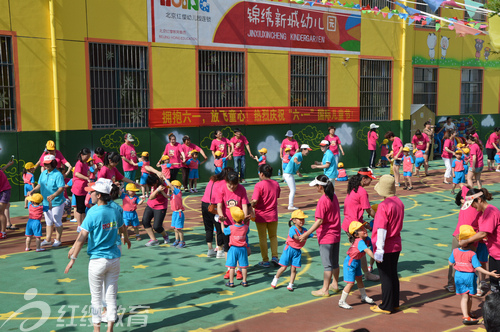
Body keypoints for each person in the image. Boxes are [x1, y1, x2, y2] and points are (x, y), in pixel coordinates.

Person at [64, 178, 131, 332]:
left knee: (96, 299)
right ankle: (110, 329)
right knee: (111, 296)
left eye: (93, 192)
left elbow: (82, 238)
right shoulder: (115, 209)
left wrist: (73, 258)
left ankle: (96, 329)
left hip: (97, 260)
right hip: (114, 259)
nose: (90, 194)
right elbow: (122, 228)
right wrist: (126, 239)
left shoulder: (93, 212)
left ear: (99, 195)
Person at [299, 174, 342, 297]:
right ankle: (335, 284)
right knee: (334, 262)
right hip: (336, 234)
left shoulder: (323, 200)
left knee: (327, 264)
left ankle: (325, 289)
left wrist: (306, 234)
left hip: (326, 236)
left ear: (320, 187)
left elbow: (319, 221)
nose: (315, 188)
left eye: (316, 186)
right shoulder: (333, 196)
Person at [449, 225, 500, 326]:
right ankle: (466, 316)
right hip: (469, 277)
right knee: (469, 297)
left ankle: (466, 314)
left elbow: (451, 263)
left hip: (458, 276)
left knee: (464, 296)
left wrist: (457, 263)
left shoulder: (455, 251)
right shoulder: (472, 254)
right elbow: (478, 267)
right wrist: (489, 273)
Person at [370, 174, 404, 314]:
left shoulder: (384, 206)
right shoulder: (399, 202)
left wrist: (379, 249)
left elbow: (381, 228)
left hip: (385, 245)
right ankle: (394, 303)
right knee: (393, 275)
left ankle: (386, 305)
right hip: (396, 243)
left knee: (385, 277)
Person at [459, 188, 500, 293]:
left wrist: (466, 241)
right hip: (494, 254)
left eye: (473, 203)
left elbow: (483, 233)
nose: (472, 206)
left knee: (497, 286)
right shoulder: (481, 213)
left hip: (498, 253)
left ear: (479, 200)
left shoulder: (491, 211)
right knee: (494, 286)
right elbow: (476, 229)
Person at [342, 168, 379, 281]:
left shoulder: (353, 188)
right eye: (370, 179)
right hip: (355, 226)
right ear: (364, 179)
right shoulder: (362, 192)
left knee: (358, 250)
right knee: (361, 250)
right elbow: (368, 210)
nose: (371, 181)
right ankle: (365, 274)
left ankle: (360, 272)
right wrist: (379, 218)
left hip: (350, 224)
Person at [216, 171, 250, 280]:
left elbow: (244, 205)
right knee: (227, 248)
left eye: (234, 185)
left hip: (239, 224)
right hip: (227, 223)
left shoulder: (241, 189)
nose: (231, 187)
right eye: (229, 184)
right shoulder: (222, 189)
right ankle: (230, 269)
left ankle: (239, 269)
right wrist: (221, 217)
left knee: (241, 247)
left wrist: (243, 218)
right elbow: (219, 206)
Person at [28, 155, 66, 247]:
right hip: (45, 201)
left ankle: (58, 239)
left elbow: (61, 188)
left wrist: (54, 195)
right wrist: (32, 190)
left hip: (57, 202)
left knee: (57, 220)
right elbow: (39, 185)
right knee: (48, 221)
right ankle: (48, 239)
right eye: (45, 164)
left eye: (48, 164)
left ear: (53, 163)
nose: (46, 165)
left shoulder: (58, 174)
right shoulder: (43, 173)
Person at [271, 209, 313, 291]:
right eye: (300, 219)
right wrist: (302, 237)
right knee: (283, 267)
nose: (302, 221)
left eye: (303, 219)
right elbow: (296, 237)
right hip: (289, 249)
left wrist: (321, 235)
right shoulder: (292, 229)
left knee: (294, 269)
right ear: (294, 220)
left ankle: (290, 284)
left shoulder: (304, 230)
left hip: (297, 251)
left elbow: (311, 235)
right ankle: (276, 278)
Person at [338, 221, 377, 309]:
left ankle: (363, 296)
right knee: (351, 283)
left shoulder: (366, 239)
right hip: (350, 263)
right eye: (360, 229)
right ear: (356, 235)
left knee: (359, 280)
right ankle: (341, 301)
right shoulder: (360, 241)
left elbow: (374, 244)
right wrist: (376, 258)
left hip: (357, 262)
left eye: (364, 228)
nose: (364, 230)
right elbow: (367, 250)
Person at [251, 164, 281, 268]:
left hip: (261, 216)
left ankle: (265, 260)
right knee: (273, 236)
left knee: (262, 238)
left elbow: (255, 200)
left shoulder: (259, 185)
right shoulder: (276, 184)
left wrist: (248, 206)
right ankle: (275, 256)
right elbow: (277, 196)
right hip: (273, 215)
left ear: (262, 174)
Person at [201, 168, 233, 258]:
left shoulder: (212, 179)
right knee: (219, 228)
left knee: (208, 228)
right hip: (215, 206)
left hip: (204, 204)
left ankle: (210, 250)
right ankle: (220, 250)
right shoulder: (224, 183)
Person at [223, 206, 250, 287]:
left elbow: (223, 231)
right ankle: (244, 281)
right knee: (244, 266)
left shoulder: (231, 228)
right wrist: (244, 222)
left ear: (233, 219)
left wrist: (221, 222)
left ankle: (231, 282)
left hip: (233, 249)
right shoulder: (246, 227)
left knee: (232, 267)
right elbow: (245, 230)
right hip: (243, 249)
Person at [283, 144, 312, 210]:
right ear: (303, 149)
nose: (308, 152)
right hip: (288, 174)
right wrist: (297, 162)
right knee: (293, 190)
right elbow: (295, 159)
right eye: (307, 150)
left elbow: (295, 164)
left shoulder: (300, 155)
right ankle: (290, 206)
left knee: (293, 190)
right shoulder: (298, 155)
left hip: (289, 174)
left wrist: (298, 172)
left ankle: (291, 205)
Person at [72, 148, 92, 229]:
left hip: (84, 188)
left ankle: (83, 224)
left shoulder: (85, 163)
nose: (88, 158)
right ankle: (79, 225)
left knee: (83, 208)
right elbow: (77, 173)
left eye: (89, 156)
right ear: (82, 155)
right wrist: (86, 178)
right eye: (87, 156)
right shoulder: (79, 163)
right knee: (80, 208)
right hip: (79, 189)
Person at [169, 180, 186, 248]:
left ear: (178, 187)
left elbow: (170, 185)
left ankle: (182, 242)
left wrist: (164, 178)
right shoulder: (173, 194)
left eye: (173, 186)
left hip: (179, 213)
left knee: (179, 229)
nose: (171, 188)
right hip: (174, 213)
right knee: (175, 229)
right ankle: (177, 240)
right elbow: (166, 196)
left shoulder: (178, 192)